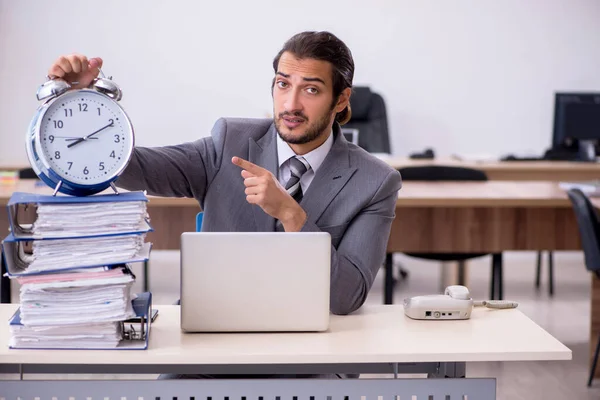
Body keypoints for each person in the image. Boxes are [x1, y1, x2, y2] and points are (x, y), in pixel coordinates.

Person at [47, 30, 401, 317]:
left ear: (340, 100)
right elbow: (134, 168)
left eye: (311, 89)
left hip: (310, 351)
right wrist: (85, 107)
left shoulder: (375, 182)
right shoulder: (230, 140)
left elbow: (346, 297)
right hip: (214, 334)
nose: (291, 104)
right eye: (282, 84)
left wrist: (293, 216)